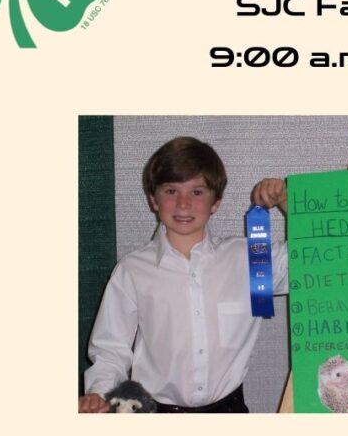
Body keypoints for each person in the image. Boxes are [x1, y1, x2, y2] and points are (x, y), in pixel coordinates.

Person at [78, 136, 287, 413]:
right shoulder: (132, 271)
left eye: (198, 192)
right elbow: (111, 349)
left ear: (216, 202)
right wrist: (98, 393)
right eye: (171, 191)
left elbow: (320, 261)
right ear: (153, 199)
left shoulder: (248, 258)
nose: (184, 203)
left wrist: (288, 200)